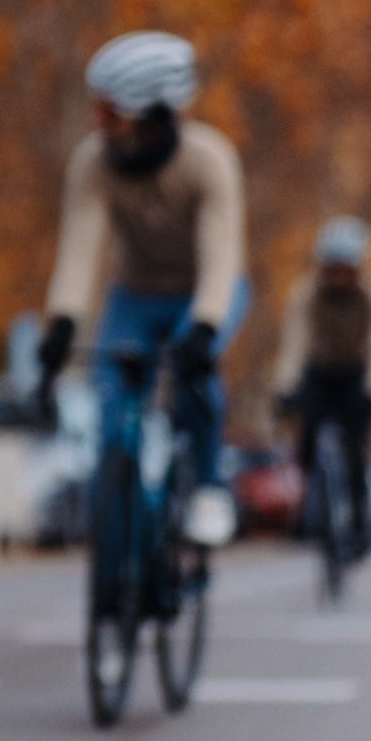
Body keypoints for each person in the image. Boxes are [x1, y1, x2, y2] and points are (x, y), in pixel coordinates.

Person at [37, 32, 250, 593]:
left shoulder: (209, 161)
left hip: (206, 291)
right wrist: (60, 324)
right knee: (114, 415)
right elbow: (80, 251)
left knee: (196, 376)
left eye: (109, 112)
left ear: (151, 111)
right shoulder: (93, 162)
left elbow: (221, 258)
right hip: (133, 294)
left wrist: (203, 330)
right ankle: (123, 546)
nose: (98, 123)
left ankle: (205, 490)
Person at [272, 215, 371, 557]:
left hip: (358, 375)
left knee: (356, 450)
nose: (339, 274)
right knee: (306, 443)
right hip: (320, 371)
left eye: (346, 266)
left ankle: (359, 522)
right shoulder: (306, 293)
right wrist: (286, 387)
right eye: (334, 266)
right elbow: (294, 343)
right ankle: (307, 510)